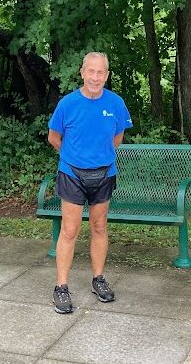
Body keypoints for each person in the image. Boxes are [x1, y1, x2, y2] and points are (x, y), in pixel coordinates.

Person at [47, 51, 133, 314]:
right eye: (91, 71)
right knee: (70, 230)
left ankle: (98, 279)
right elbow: (54, 138)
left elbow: (117, 138)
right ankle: (61, 287)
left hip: (104, 174)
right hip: (72, 174)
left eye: (101, 72)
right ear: (83, 73)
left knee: (99, 226)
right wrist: (75, 158)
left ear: (106, 76)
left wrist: (98, 157)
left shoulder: (116, 103)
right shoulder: (68, 104)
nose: (96, 77)